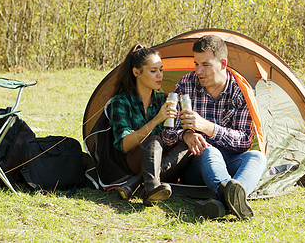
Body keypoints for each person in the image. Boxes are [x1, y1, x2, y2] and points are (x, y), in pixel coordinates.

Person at [162, 35, 267, 220]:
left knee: (257, 157)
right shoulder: (186, 85)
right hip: (196, 165)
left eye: (205, 65)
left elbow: (244, 141)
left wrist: (208, 127)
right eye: (196, 64)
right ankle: (232, 198)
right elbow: (167, 133)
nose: (199, 71)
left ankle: (222, 204)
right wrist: (185, 135)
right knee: (210, 151)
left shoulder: (239, 91)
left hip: (230, 161)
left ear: (223, 63)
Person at [108, 44, 191, 205]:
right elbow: (125, 145)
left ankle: (141, 184)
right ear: (136, 72)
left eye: (161, 69)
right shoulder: (121, 102)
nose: (159, 75)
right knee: (154, 140)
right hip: (133, 160)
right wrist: (156, 120)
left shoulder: (164, 100)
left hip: (162, 160)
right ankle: (149, 184)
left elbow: (173, 138)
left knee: (190, 143)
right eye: (153, 71)